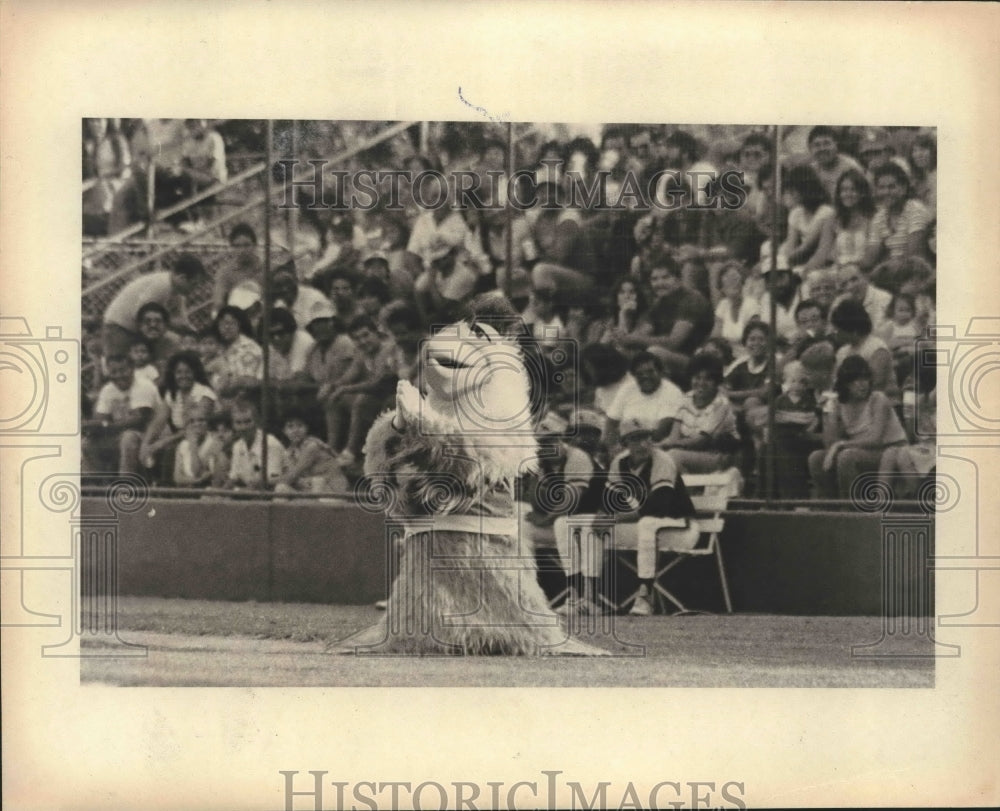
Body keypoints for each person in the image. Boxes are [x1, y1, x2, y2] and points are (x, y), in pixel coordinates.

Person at [606, 418, 698, 617]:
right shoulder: (619, 462)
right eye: (636, 439)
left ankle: (645, 597)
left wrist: (615, 518)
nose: (644, 444)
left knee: (647, 523)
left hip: (679, 526)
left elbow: (658, 506)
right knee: (590, 526)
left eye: (647, 438)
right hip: (645, 527)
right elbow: (610, 500)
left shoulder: (662, 460)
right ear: (624, 444)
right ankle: (588, 598)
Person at [541, 410, 610, 617]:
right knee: (564, 523)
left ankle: (591, 598)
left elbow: (621, 496)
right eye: (577, 433)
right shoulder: (552, 462)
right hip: (585, 518)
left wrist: (607, 513)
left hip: (616, 516)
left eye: (590, 433)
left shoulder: (610, 457)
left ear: (599, 435)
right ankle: (575, 594)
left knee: (587, 525)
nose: (582, 439)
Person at [808, 356, 907, 499]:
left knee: (847, 456)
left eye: (865, 379)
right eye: (855, 380)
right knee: (816, 458)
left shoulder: (878, 399)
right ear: (845, 383)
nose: (862, 385)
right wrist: (827, 412)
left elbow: (875, 440)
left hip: (889, 450)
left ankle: (850, 512)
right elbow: (829, 443)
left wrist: (841, 445)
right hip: (860, 450)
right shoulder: (840, 403)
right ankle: (828, 510)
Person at [102, 252, 206, 357]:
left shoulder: (177, 293)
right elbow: (142, 314)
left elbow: (182, 322)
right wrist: (168, 324)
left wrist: (196, 335)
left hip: (134, 329)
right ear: (182, 278)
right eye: (194, 284)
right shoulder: (162, 285)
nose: (195, 290)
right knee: (118, 363)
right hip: (119, 327)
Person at [139, 350, 218, 482]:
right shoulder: (173, 393)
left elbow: (194, 427)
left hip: (201, 437)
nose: (183, 376)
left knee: (168, 450)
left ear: (195, 372)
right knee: (149, 449)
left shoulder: (204, 394)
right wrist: (146, 444)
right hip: (179, 437)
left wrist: (162, 442)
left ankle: (167, 494)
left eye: (187, 371)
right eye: (179, 372)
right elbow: (158, 422)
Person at [660, 352, 741, 475]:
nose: (701, 383)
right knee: (657, 457)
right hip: (689, 452)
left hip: (717, 456)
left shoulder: (721, 404)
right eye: (697, 377)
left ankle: (688, 491)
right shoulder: (686, 398)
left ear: (716, 382)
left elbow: (700, 441)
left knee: (672, 456)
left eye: (708, 379)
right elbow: (674, 436)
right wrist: (657, 446)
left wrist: (669, 444)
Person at [82, 354, 161, 476]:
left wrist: (105, 426)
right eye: (114, 372)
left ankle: (125, 486)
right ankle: (94, 487)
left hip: (150, 436)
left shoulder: (144, 385)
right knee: (88, 443)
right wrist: (93, 427)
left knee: (128, 438)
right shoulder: (108, 389)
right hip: (119, 434)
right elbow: (99, 420)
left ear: (132, 368)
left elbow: (138, 420)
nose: (119, 375)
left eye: (123, 370)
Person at [603, 351, 684, 450]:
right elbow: (611, 422)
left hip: (654, 447)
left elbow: (661, 432)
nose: (645, 376)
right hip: (625, 444)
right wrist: (609, 448)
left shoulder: (672, 392)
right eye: (640, 374)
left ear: (660, 372)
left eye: (650, 371)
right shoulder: (627, 388)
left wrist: (629, 447)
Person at [860, 162, 932, 271]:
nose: (886, 192)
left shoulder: (915, 209)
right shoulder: (879, 217)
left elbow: (913, 256)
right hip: (892, 273)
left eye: (891, 187)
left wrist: (883, 266)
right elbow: (869, 259)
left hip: (917, 273)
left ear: (903, 188)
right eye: (881, 187)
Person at [830, 297, 898, 402]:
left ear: (853, 330)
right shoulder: (842, 352)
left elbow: (874, 385)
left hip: (881, 406)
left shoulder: (877, 349)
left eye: (838, 329)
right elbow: (835, 383)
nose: (835, 333)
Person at [770, 360, 820, 499]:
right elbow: (774, 419)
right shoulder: (780, 400)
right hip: (784, 436)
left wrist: (810, 427)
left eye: (802, 382)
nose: (797, 386)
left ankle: (798, 496)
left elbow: (814, 419)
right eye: (793, 381)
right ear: (785, 382)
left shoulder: (808, 400)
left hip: (803, 437)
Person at [274, 408, 349, 495]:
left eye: (300, 425)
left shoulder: (312, 446)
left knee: (317, 481)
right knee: (281, 488)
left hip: (333, 491)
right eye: (290, 426)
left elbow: (292, 477)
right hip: (314, 490)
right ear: (284, 431)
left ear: (307, 428)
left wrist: (263, 481)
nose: (295, 430)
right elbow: (290, 476)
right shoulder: (291, 451)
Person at [780, 164, 835, 272]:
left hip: (820, 261)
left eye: (793, 191)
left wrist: (784, 263)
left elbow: (806, 247)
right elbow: (791, 246)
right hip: (799, 259)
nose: (791, 195)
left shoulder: (826, 212)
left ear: (805, 189)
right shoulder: (796, 213)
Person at [223, 400, 286, 490]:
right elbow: (233, 478)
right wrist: (218, 495)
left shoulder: (270, 443)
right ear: (233, 425)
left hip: (275, 494)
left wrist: (243, 492)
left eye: (248, 422)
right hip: (251, 494)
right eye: (238, 423)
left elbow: (273, 480)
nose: (243, 427)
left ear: (257, 422)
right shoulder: (237, 446)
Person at [211, 305, 264, 400]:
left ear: (240, 325)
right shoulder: (217, 346)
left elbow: (245, 385)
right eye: (223, 323)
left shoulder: (249, 348)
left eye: (232, 323)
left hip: (241, 402)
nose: (227, 327)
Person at [712, 260, 761, 359]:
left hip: (748, 356)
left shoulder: (751, 305)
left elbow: (752, 340)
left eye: (735, 278)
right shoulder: (723, 305)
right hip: (727, 356)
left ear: (742, 283)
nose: (733, 283)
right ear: (722, 288)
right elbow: (716, 337)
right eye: (728, 279)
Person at [832, 169, 876, 267]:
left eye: (853, 190)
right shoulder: (837, 219)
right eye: (843, 190)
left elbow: (871, 259)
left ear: (862, 193)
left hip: (864, 270)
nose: (847, 194)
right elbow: (834, 254)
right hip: (839, 269)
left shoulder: (872, 219)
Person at [807, 125, 864, 200]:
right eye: (817, 145)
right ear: (810, 148)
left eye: (827, 143)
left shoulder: (850, 167)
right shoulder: (811, 171)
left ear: (836, 145)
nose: (822, 149)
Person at [172, 407, 215, 488]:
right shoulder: (182, 444)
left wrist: (193, 447)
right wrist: (196, 481)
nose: (197, 424)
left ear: (208, 423)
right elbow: (177, 477)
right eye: (192, 421)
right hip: (186, 490)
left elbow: (196, 472)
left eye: (201, 420)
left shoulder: (214, 443)